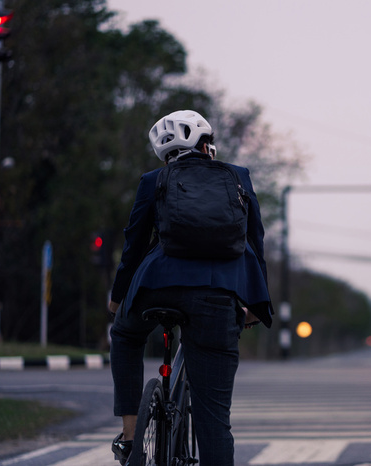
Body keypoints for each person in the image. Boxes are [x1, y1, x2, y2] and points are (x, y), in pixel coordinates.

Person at [108, 110, 273, 466]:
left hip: (156, 286)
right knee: (214, 422)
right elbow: (256, 246)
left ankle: (130, 435)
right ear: (206, 145)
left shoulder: (154, 180)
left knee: (124, 335)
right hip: (217, 297)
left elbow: (133, 246)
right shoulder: (239, 177)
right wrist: (256, 307)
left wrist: (118, 297)